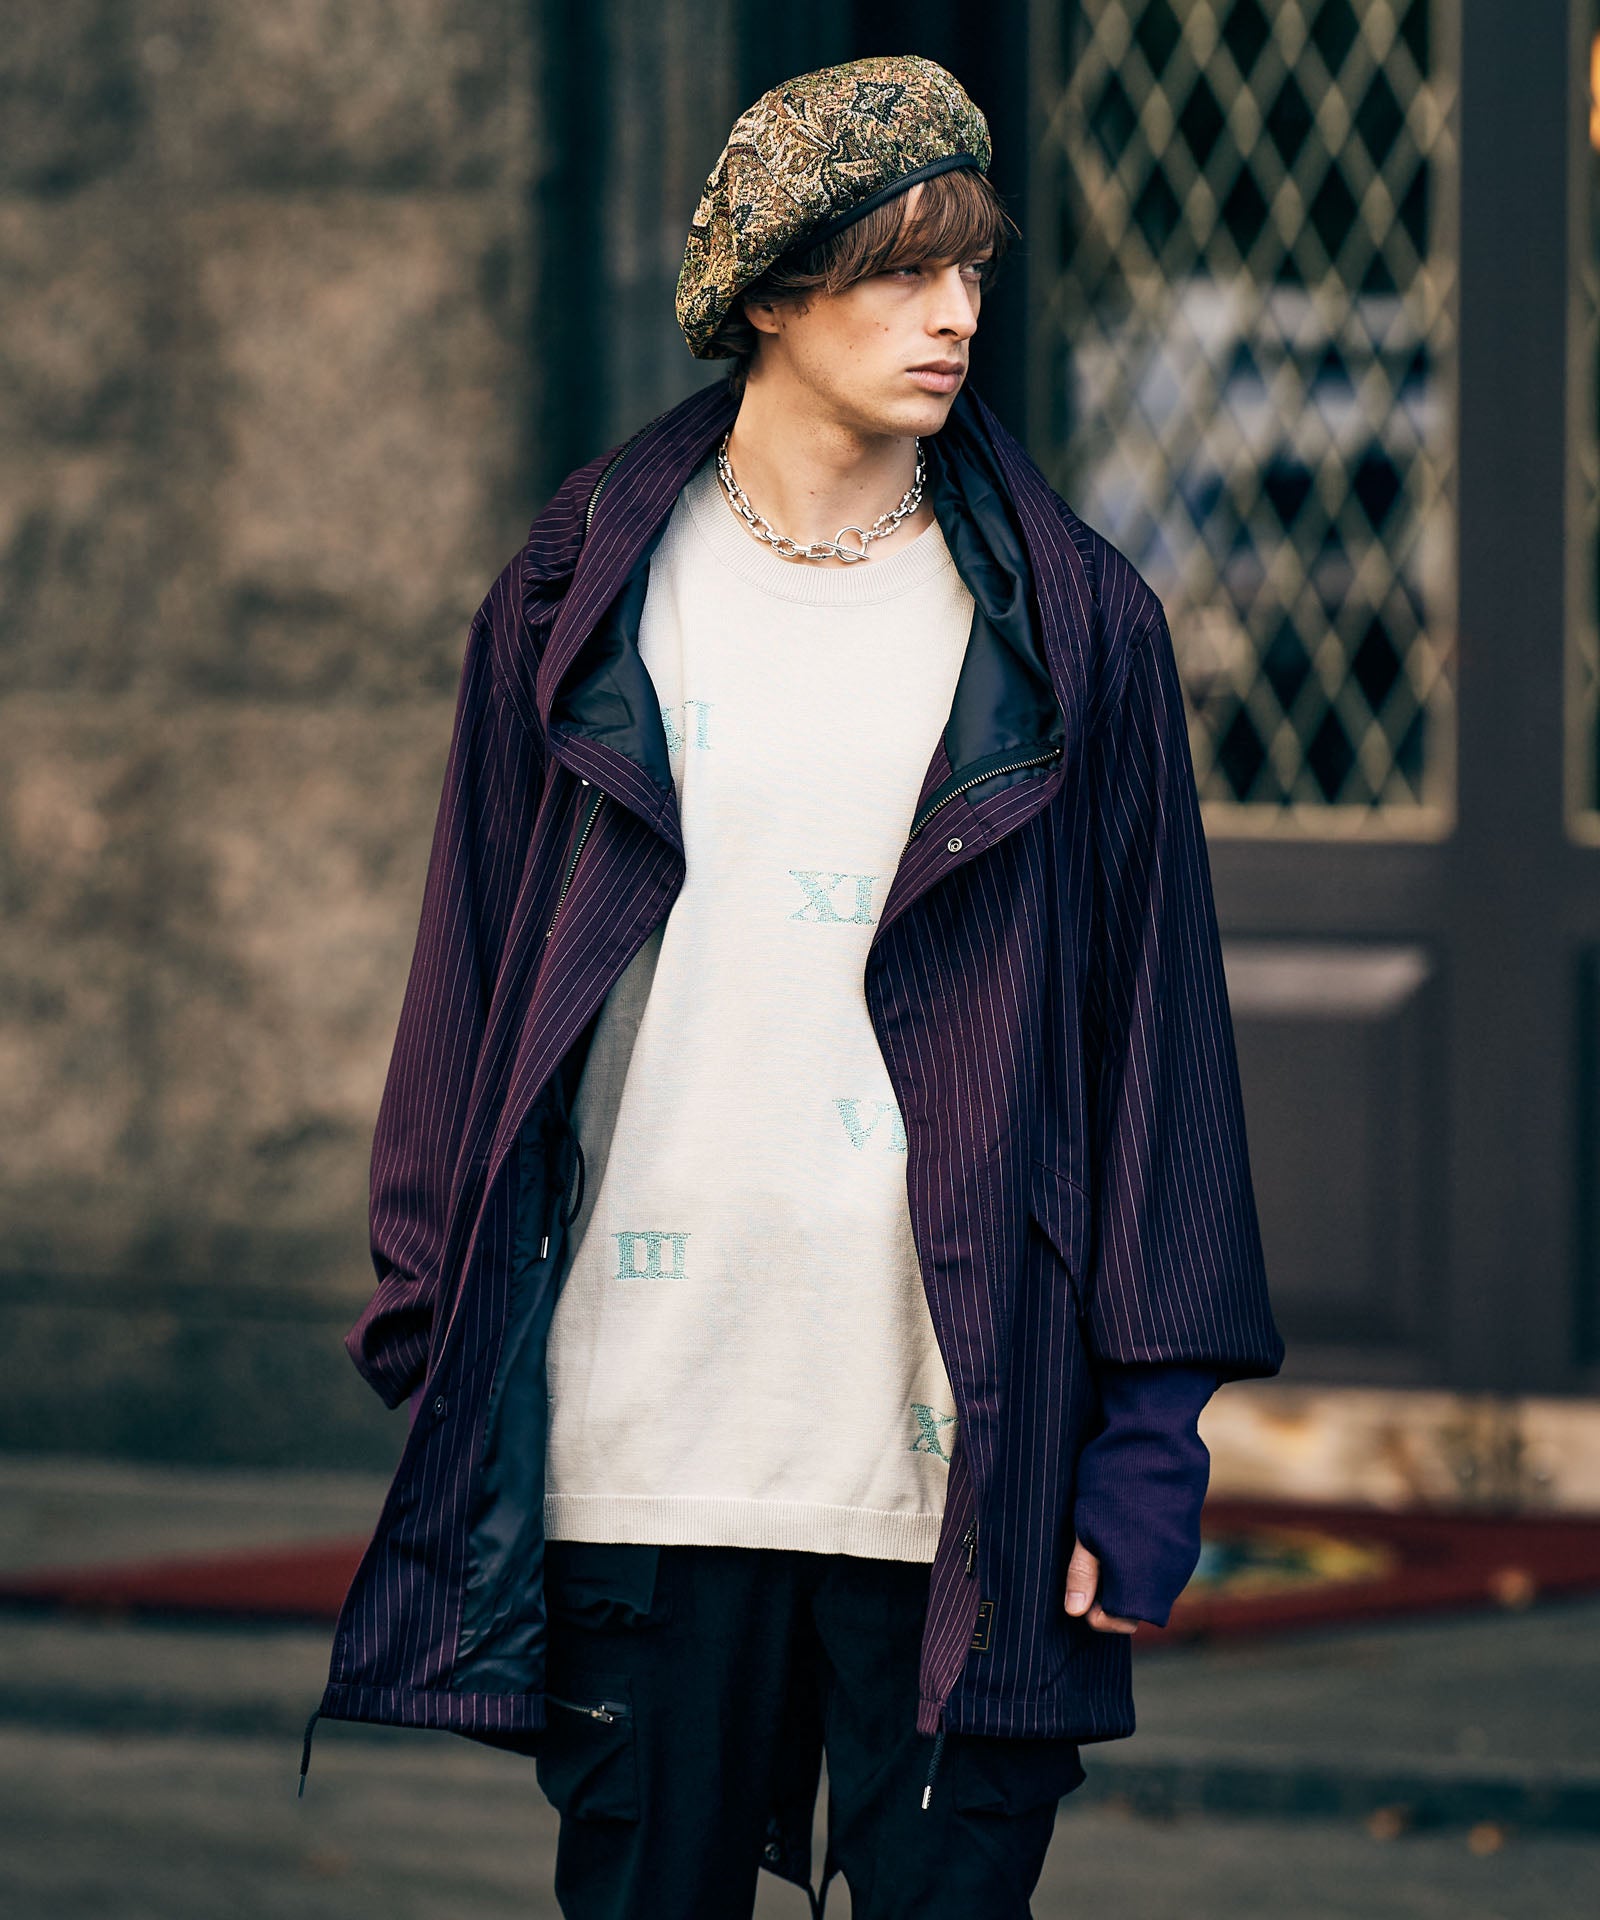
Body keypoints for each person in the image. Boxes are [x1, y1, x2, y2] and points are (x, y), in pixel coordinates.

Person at [300, 53, 1284, 1920]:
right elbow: (470, 976)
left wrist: (1151, 1440)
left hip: (959, 1458)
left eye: (971, 269)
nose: (956, 314)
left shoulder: (1076, 626)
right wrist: (434, 1318)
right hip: (641, 1437)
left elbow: (1156, 1041)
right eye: (899, 270)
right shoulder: (578, 596)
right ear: (765, 292)